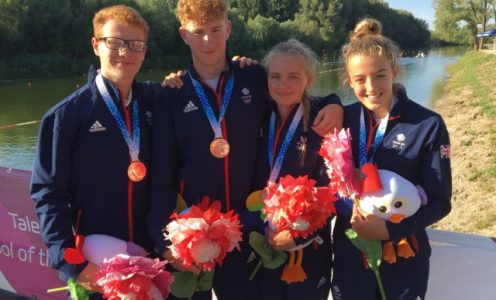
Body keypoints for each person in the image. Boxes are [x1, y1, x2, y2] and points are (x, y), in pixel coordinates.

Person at [147, 0, 342, 299]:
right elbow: (161, 175)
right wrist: (164, 241)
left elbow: (295, 88)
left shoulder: (253, 77)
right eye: (198, 32)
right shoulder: (172, 94)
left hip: (246, 231)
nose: (208, 40)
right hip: (194, 234)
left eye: (215, 30)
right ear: (184, 35)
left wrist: (334, 102)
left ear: (228, 28)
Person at [30, 5, 160, 297]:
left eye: (136, 45)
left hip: (150, 265)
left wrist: (240, 68)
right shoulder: (66, 116)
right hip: (96, 267)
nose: (126, 53)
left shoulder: (156, 102)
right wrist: (73, 265)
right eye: (115, 43)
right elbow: (48, 195)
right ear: (96, 45)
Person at [330, 18, 452, 300]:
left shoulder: (428, 124)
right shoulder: (342, 119)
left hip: (405, 258)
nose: (371, 86)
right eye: (359, 79)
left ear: (395, 70)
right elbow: (292, 90)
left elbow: (440, 202)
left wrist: (389, 229)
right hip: (351, 258)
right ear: (348, 80)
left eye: (380, 75)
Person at [249, 39, 338, 300]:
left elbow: (330, 191)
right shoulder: (258, 114)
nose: (283, 84)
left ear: (309, 79)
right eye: (275, 76)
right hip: (263, 238)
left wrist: (299, 235)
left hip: (309, 246)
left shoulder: (322, 120)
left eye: (293, 77)